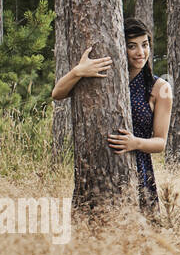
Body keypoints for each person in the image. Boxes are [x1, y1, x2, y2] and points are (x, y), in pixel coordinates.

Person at [51, 18, 173, 214]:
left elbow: (160, 143)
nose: (140, 53)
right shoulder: (104, 76)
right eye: (132, 46)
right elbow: (57, 93)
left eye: (145, 44)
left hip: (139, 170)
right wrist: (78, 72)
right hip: (98, 168)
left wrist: (135, 143)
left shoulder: (160, 88)